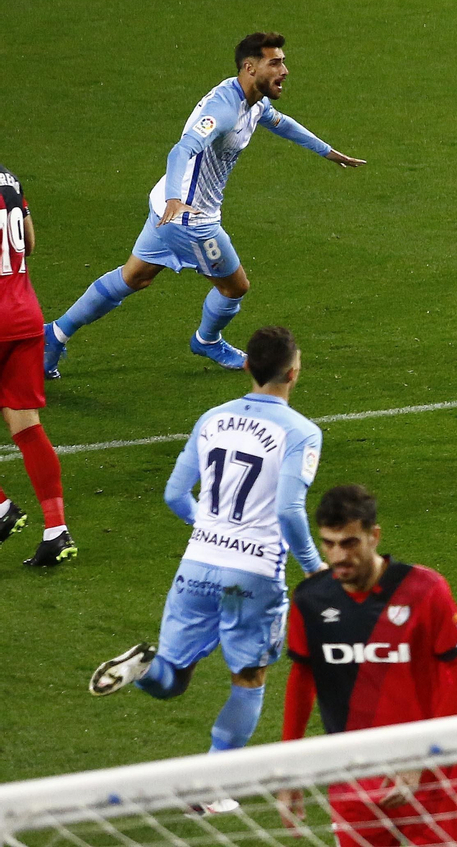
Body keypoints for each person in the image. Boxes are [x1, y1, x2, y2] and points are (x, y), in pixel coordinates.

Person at [88, 326, 325, 810]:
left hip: (197, 563)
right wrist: (315, 568)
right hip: (253, 575)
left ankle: (143, 668)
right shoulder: (301, 432)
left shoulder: (212, 418)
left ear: (246, 367)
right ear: (293, 372)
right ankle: (211, 789)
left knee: (172, 676)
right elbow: (287, 510)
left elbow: (175, 493)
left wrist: (211, 528)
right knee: (249, 677)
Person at [43, 32, 364, 377]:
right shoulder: (222, 110)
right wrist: (175, 201)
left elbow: (280, 123)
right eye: (275, 62)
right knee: (234, 287)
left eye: (283, 61)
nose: (284, 70)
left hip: (168, 206)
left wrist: (327, 151)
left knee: (133, 277)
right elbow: (181, 149)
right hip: (189, 217)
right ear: (250, 67)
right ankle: (207, 340)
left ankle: (55, 333)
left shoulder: (252, 100)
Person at [276, 484, 457, 847]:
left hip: (431, 779)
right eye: (329, 543)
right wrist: (288, 772)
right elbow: (302, 680)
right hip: (354, 779)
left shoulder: (424, 589)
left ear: (374, 536)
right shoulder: (311, 600)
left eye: (350, 543)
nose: (338, 556)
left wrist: (420, 755)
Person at [0, 162, 75, 566]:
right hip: (25, 316)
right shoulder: (10, 178)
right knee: (26, 427)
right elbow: (28, 243)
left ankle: (1, 511)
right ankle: (56, 530)